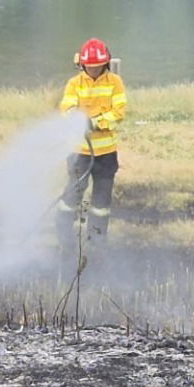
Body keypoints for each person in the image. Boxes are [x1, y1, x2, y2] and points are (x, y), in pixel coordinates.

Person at [57, 38, 128, 243]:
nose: (94, 71)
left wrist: (95, 123)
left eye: (98, 67)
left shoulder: (115, 82)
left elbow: (118, 113)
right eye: (90, 67)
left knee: (101, 201)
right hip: (79, 152)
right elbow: (66, 108)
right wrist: (76, 119)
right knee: (72, 195)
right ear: (82, 64)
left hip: (105, 154)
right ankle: (63, 235)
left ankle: (96, 239)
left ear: (105, 64)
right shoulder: (74, 83)